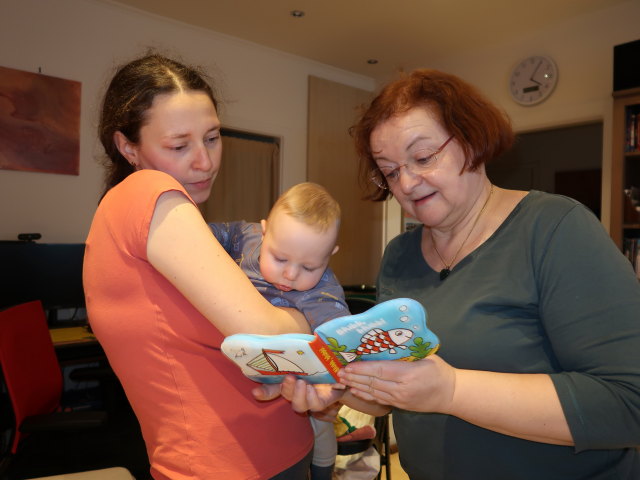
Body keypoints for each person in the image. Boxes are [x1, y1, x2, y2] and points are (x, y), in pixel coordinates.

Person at [278, 69, 640, 480]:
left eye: (423, 156)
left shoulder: (555, 229)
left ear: (471, 140)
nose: (408, 182)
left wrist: (451, 391)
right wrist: (339, 392)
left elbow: (628, 403)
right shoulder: (399, 255)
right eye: (391, 171)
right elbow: (400, 390)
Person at [83, 52, 315, 480]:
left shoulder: (131, 216)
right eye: (179, 145)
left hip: (271, 449)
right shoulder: (148, 191)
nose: (205, 161)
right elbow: (264, 336)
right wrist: (316, 312)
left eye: (212, 138)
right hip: (229, 465)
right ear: (127, 146)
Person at [208, 181, 349, 480]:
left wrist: (332, 381)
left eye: (309, 267)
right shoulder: (247, 238)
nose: (291, 274)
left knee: (321, 420)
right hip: (232, 367)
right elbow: (217, 234)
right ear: (264, 231)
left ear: (329, 255)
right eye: (280, 258)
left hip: (290, 375)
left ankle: (323, 471)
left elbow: (337, 336)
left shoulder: (322, 292)